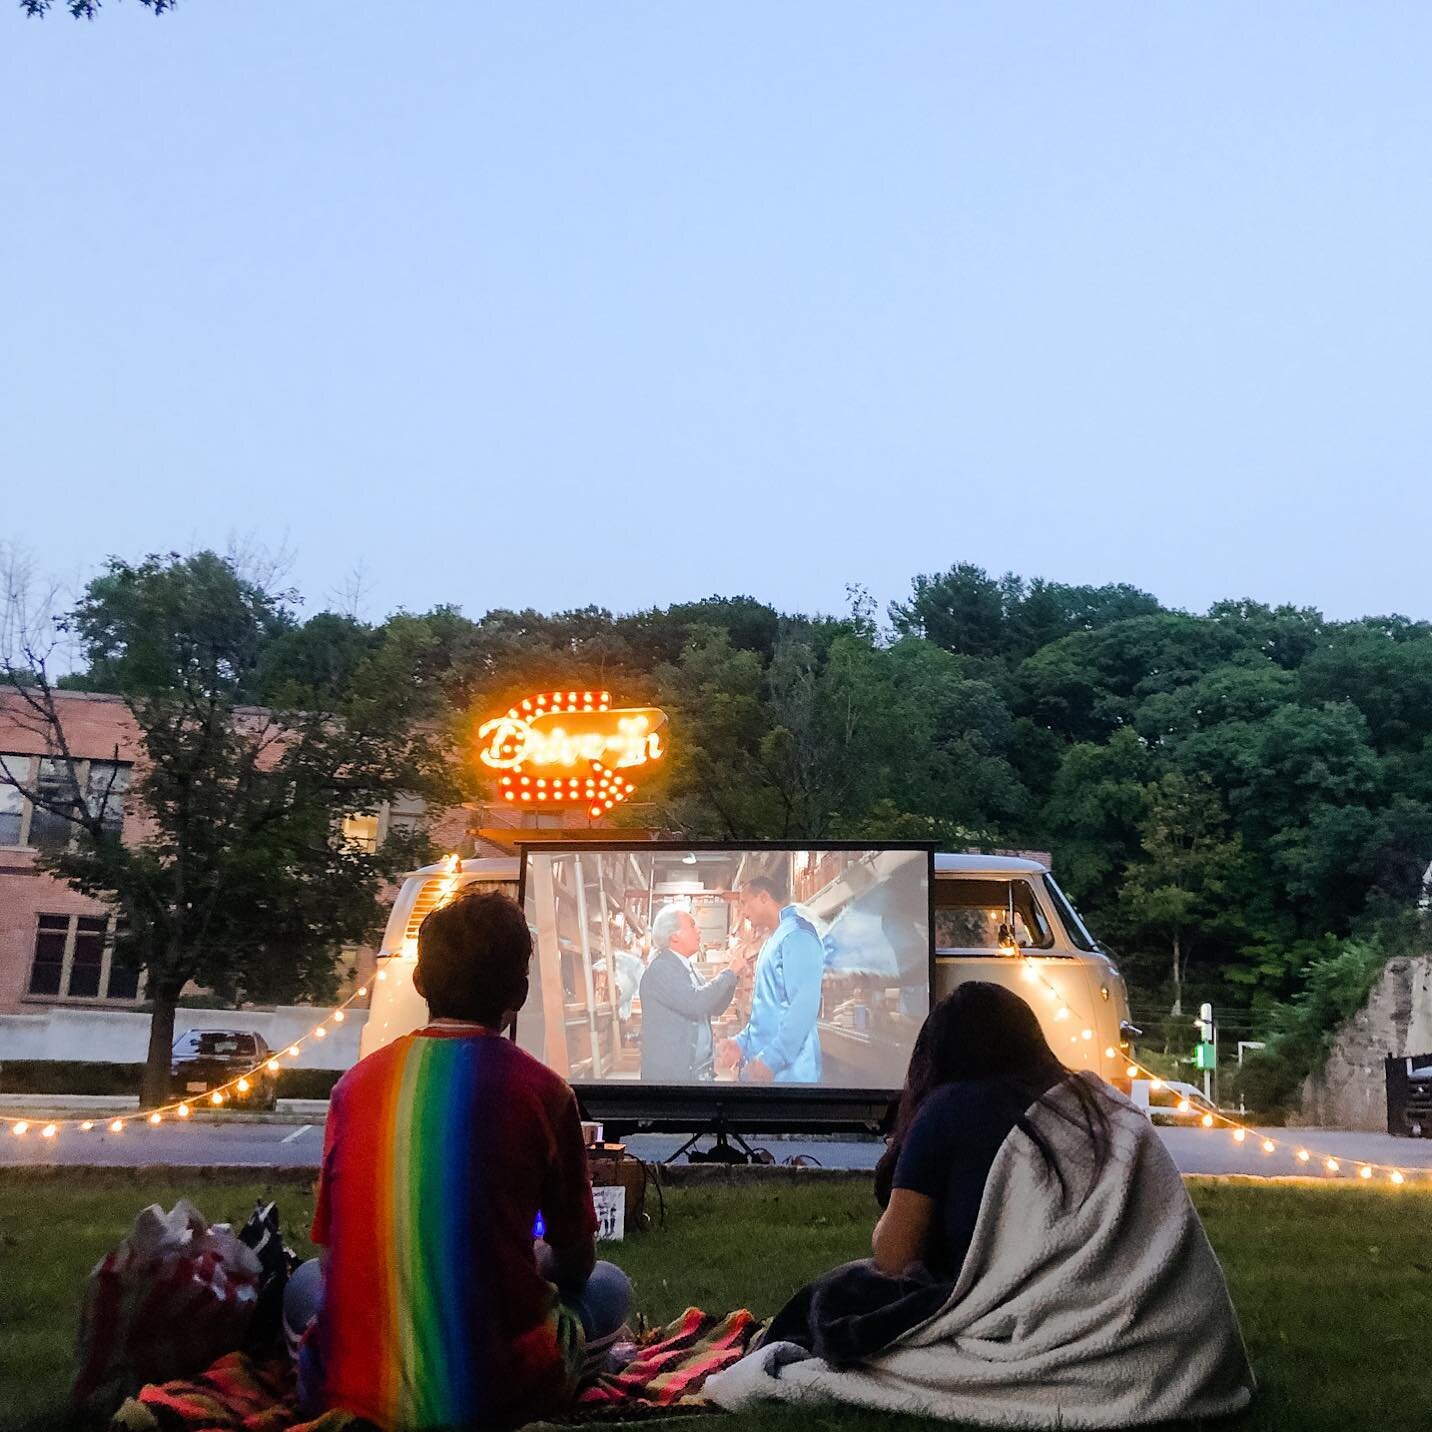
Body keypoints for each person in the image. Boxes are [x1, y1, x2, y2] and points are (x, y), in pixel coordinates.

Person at [720, 981, 1254, 1426]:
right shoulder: (1097, 1104)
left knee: (837, 1297)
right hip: (1177, 1344)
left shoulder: (949, 1108)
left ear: (935, 1053)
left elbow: (893, 1255)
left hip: (1038, 1320)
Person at [284, 890, 632, 1431]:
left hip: (351, 1391)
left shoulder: (353, 1088)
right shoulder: (546, 1092)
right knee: (611, 1286)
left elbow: (332, 1260)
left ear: (420, 982)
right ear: (518, 991)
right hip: (498, 1395)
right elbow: (577, 1263)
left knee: (304, 1279)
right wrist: (529, 1260)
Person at [718, 875, 824, 1084]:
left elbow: (803, 1007)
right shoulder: (772, 939)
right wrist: (741, 1043)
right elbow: (766, 1009)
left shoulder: (797, 935)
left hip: (792, 1078)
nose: (743, 912)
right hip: (768, 1074)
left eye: (745, 903)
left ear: (764, 897)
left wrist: (773, 1059)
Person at [638, 905, 737, 1081]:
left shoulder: (689, 969)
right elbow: (696, 1002)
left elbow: (714, 1007)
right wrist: (729, 973)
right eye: (692, 925)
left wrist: (733, 978)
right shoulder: (661, 969)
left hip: (697, 1074)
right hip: (672, 1080)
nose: (699, 931)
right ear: (674, 936)